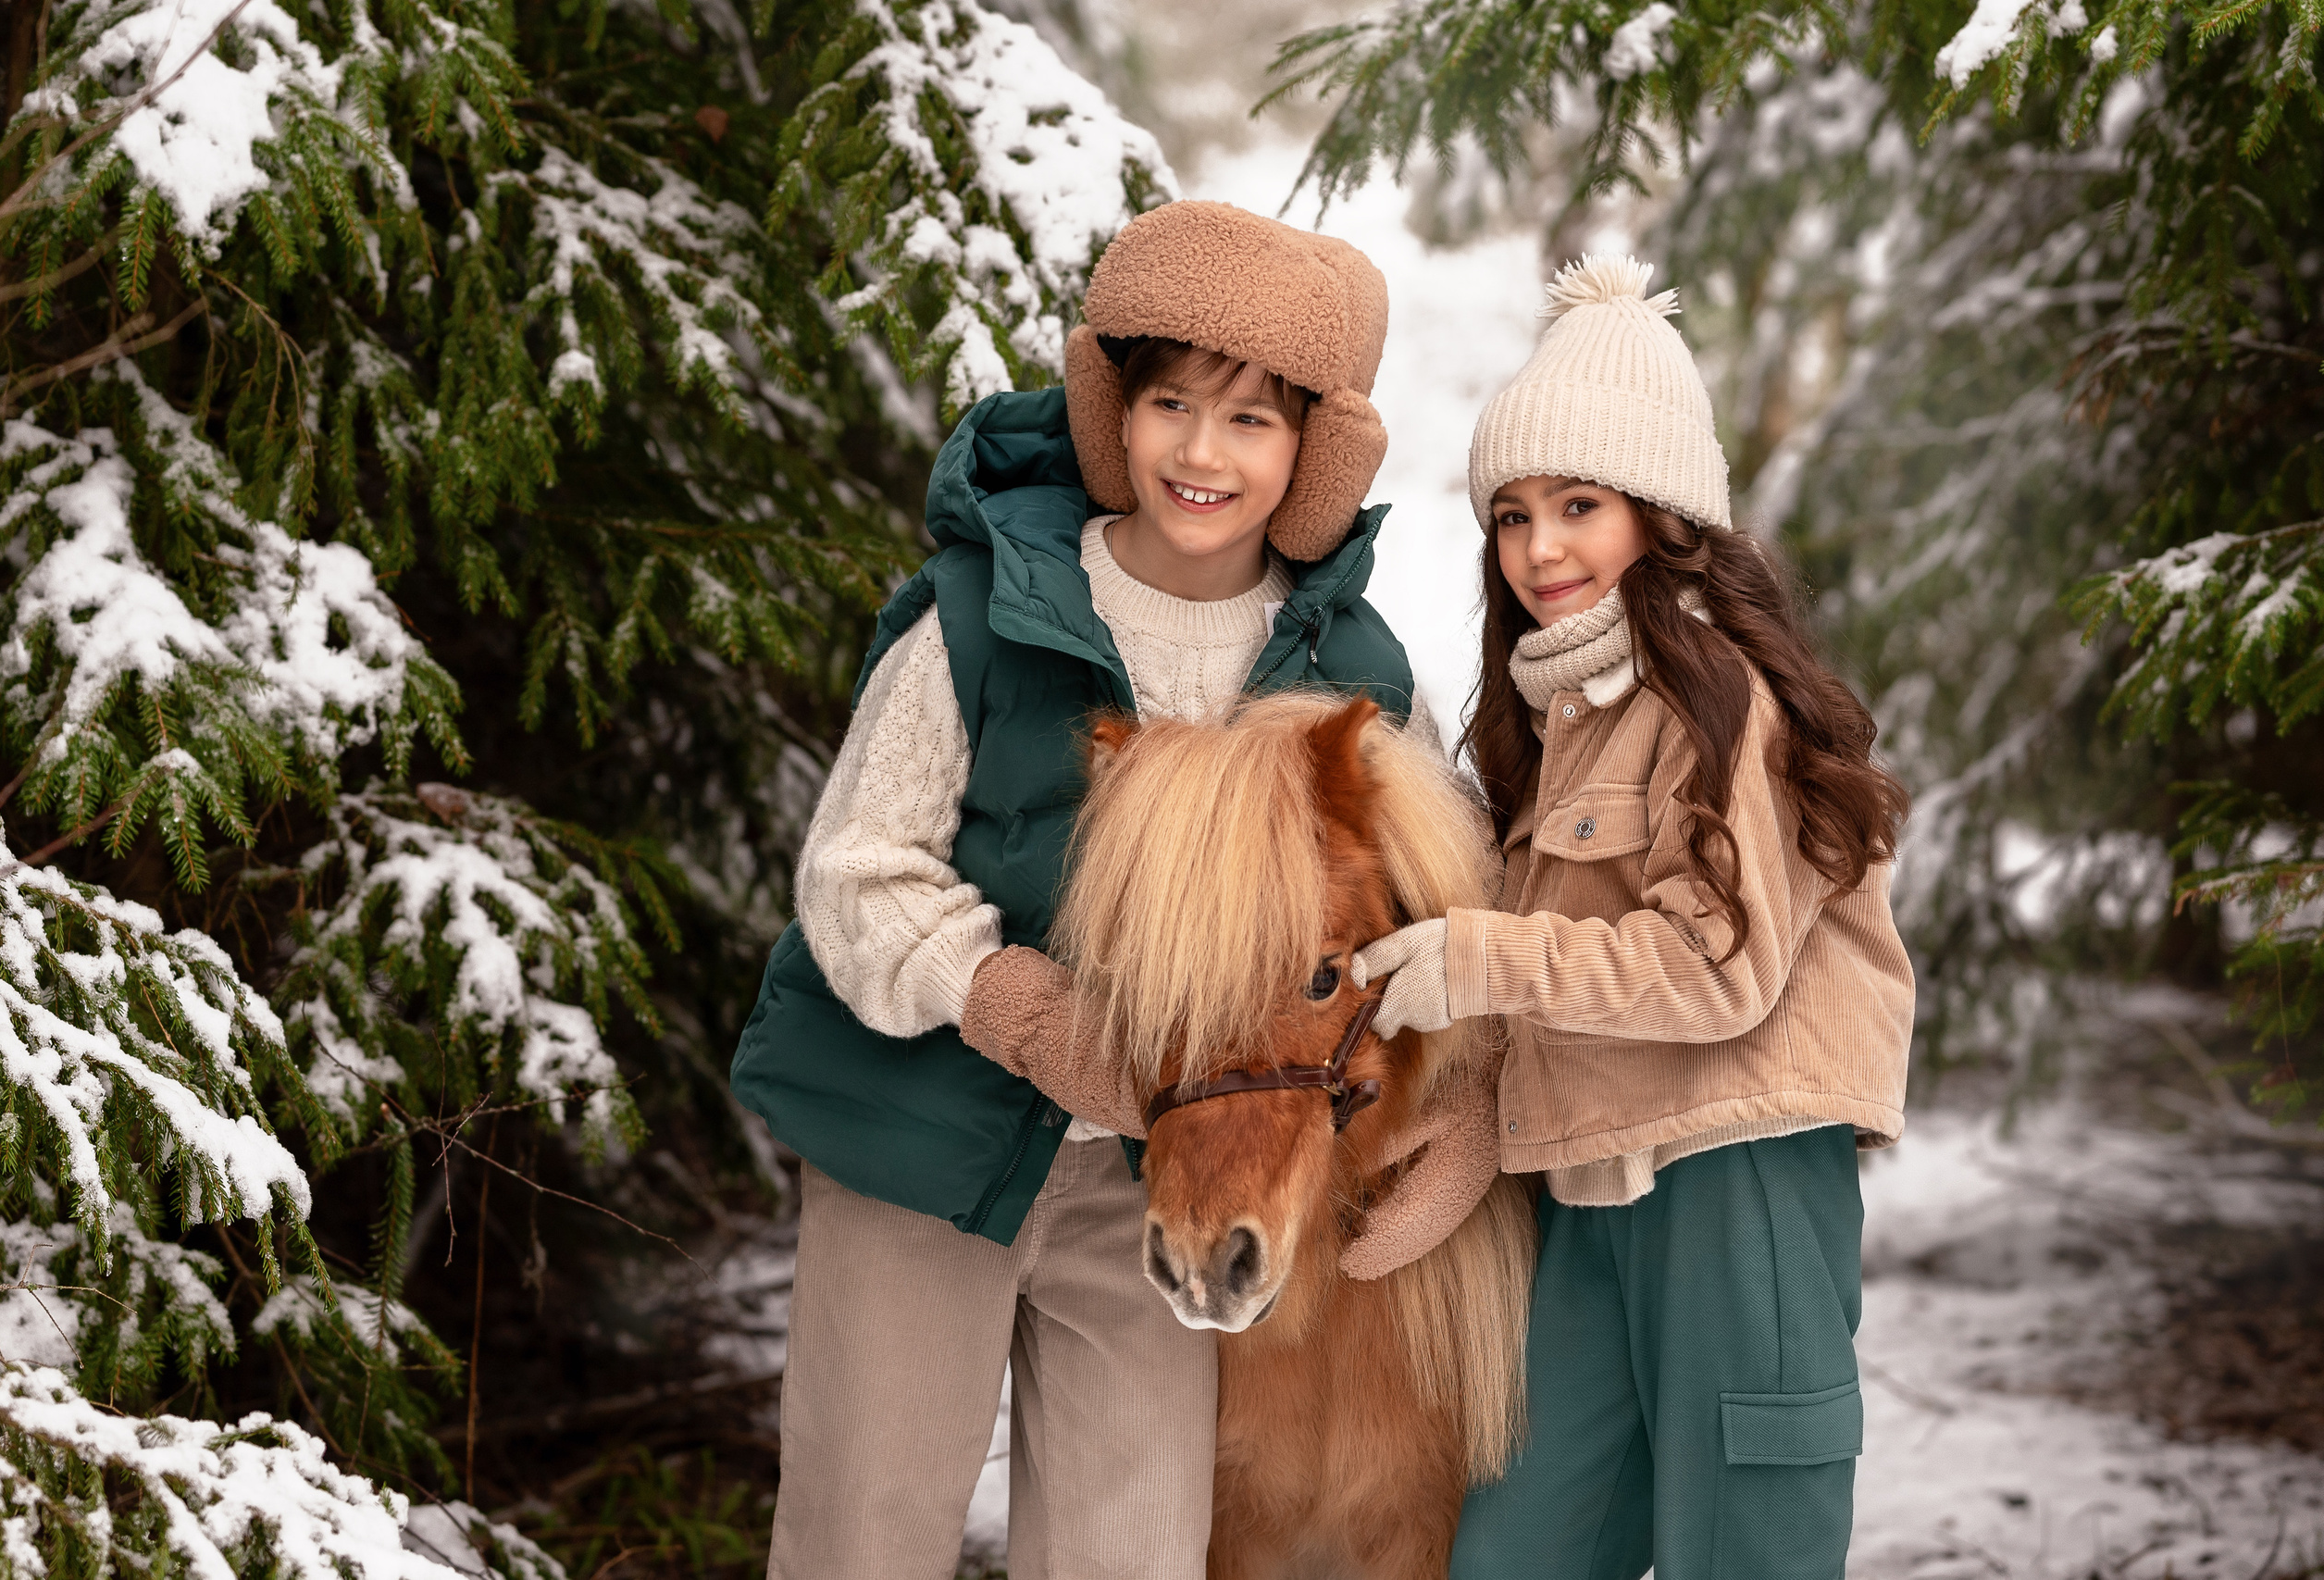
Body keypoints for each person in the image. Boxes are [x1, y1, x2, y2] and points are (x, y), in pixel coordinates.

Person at [729, 199, 1442, 1580]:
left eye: (1252, 421)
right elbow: (857, 870)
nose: (1201, 451)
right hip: (917, 1140)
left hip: (1161, 1171)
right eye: (1172, 402)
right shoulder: (984, 611)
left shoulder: (1349, 671)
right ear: (1117, 410)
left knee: (1133, 1551)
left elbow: (1409, 924)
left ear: (1309, 455)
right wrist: (1014, 1005)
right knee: (863, 1535)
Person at [1345, 254, 1916, 1579]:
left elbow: (1717, 971)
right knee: (1515, 1554)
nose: (1541, 548)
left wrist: (1474, 961)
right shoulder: (1557, 720)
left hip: (1737, 1174)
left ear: (1663, 516)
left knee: (1743, 1552)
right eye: (1513, 515)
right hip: (1593, 1188)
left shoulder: (1722, 701)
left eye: (1580, 506)